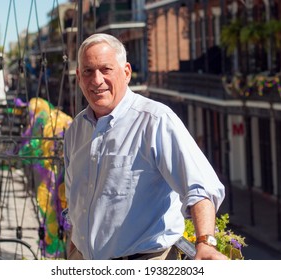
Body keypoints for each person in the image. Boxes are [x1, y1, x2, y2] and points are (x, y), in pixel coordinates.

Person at [63, 33, 227, 260]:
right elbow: (76, 204)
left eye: (106, 69)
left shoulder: (155, 120)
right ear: (79, 77)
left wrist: (205, 242)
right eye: (88, 71)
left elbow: (201, 187)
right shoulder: (75, 131)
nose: (97, 79)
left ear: (126, 72)